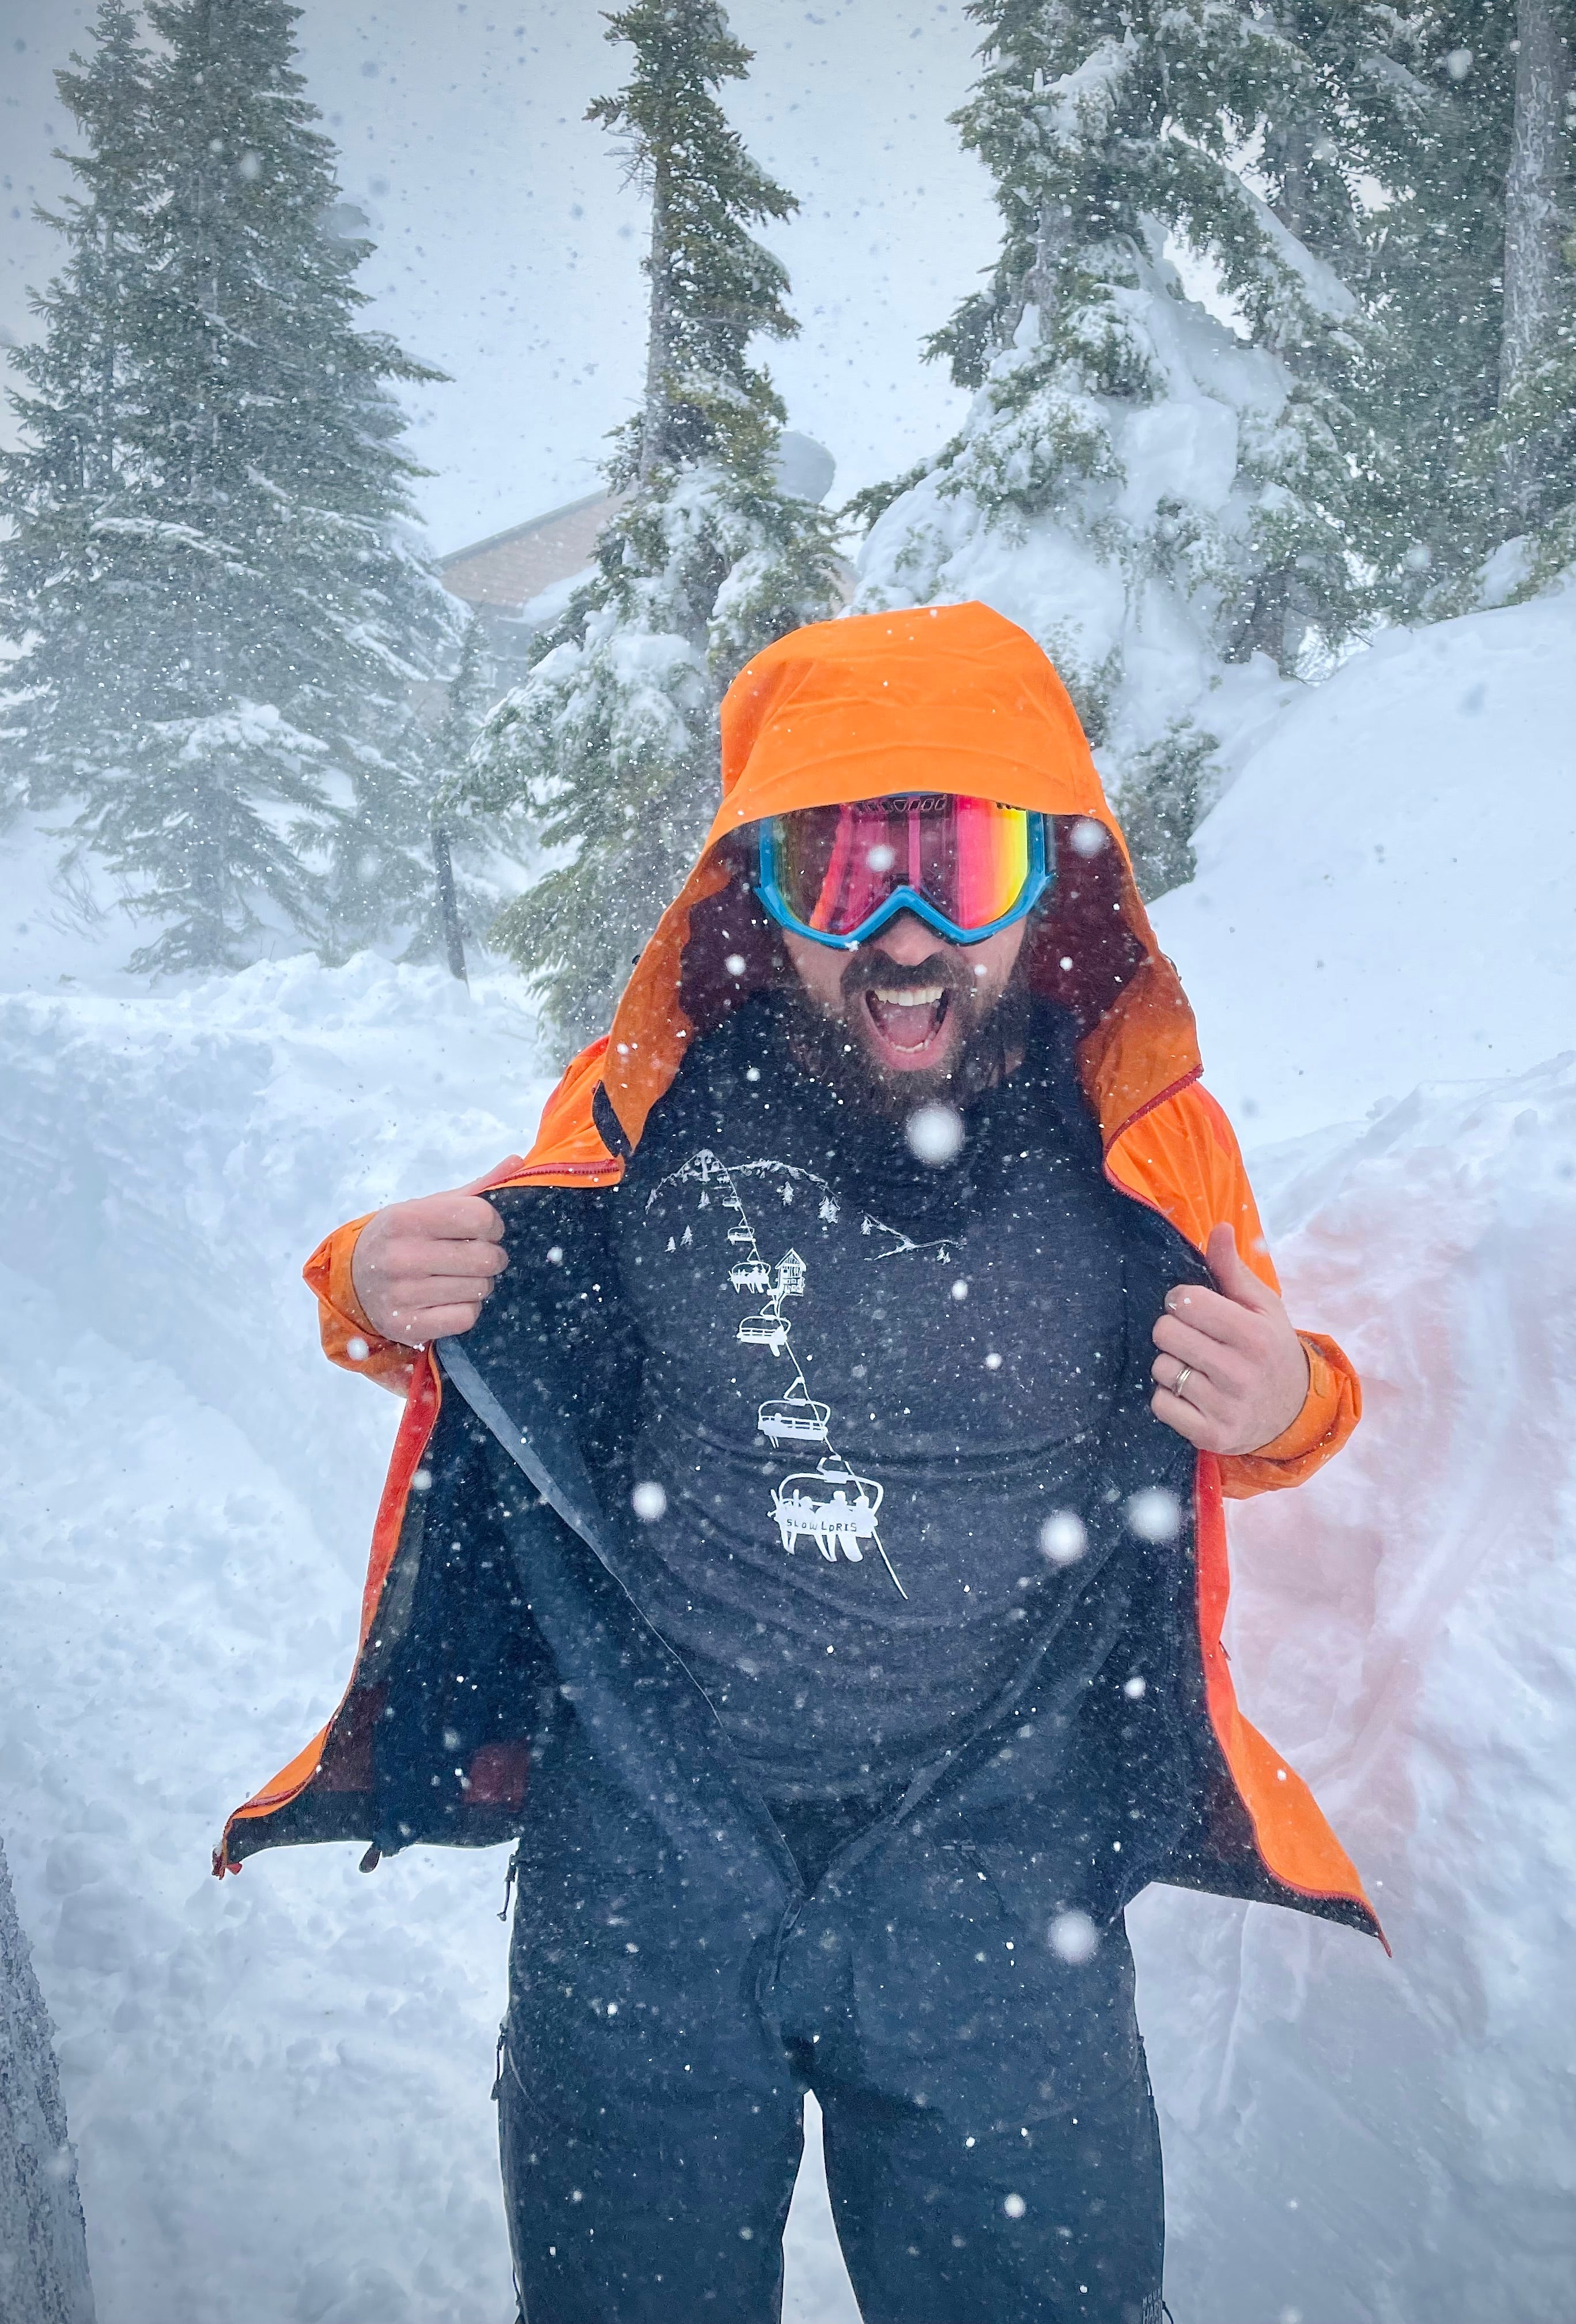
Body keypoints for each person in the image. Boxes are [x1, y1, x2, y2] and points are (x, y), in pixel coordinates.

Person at [217, 603, 1379, 2324]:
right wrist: (364, 1280)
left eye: (957, 868)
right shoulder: (652, 1106)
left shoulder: (1144, 1137)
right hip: (650, 1866)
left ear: (1049, 886)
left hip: (999, 1882)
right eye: (843, 876)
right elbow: (469, 1298)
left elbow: (1276, 1398)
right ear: (756, 888)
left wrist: (1291, 1399)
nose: (904, 937)